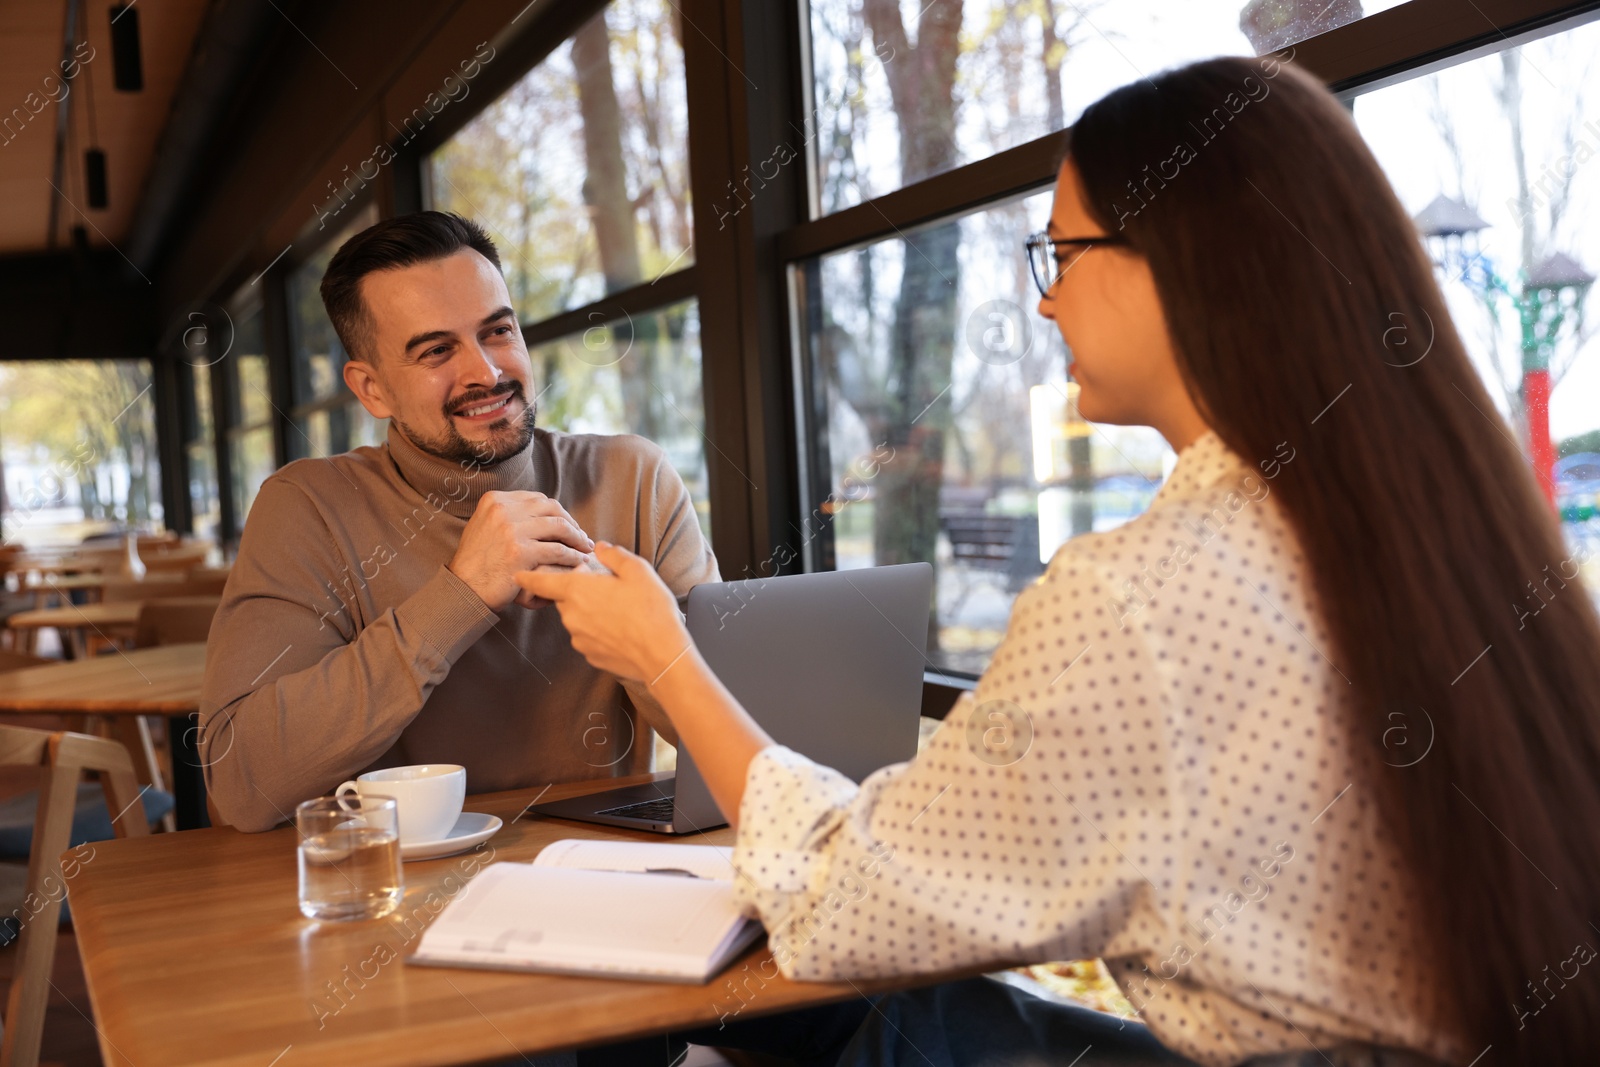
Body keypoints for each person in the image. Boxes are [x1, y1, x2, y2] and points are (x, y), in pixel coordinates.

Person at [520, 56, 1600, 1066]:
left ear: (1183, 266)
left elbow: (841, 902)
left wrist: (664, 658)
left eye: (1061, 252)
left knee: (867, 1004)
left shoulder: (1136, 596)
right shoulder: (1451, 530)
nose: (1046, 299)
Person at [199, 212, 717, 832]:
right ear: (372, 390)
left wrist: (635, 632)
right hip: (391, 895)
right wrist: (461, 594)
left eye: (497, 332)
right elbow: (242, 787)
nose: (487, 372)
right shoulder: (307, 507)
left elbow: (737, 736)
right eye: (437, 350)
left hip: (601, 876)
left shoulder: (634, 479)